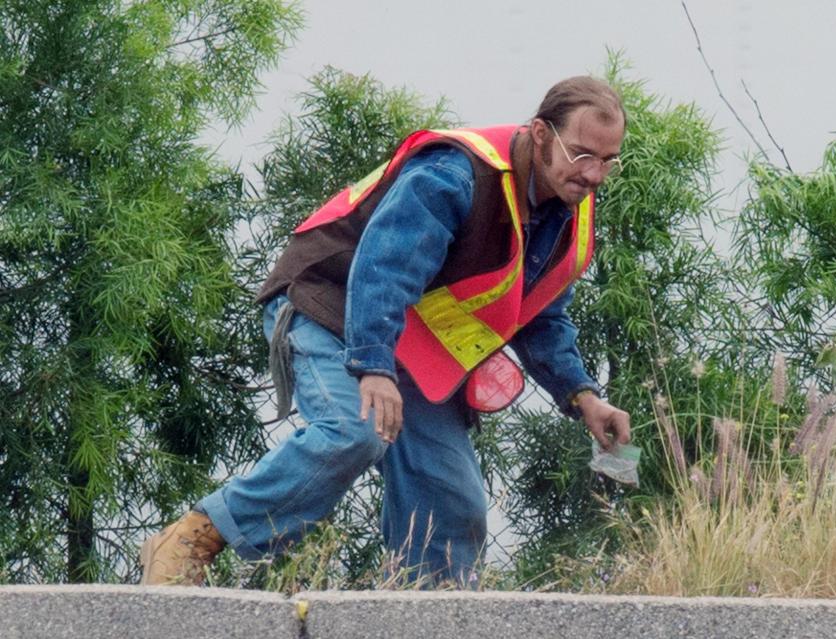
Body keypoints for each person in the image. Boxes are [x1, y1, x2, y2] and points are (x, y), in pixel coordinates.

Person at [139, 75, 632, 587]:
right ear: (539, 133)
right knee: (354, 431)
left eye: (608, 161)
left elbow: (540, 312)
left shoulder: (566, 209)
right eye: (581, 155)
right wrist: (372, 365)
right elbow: (383, 269)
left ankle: (424, 614)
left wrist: (583, 395)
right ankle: (194, 537)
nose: (594, 174)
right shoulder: (455, 173)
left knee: (451, 499)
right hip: (329, 305)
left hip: (407, 343)